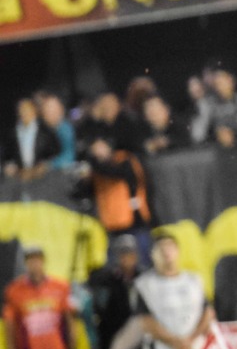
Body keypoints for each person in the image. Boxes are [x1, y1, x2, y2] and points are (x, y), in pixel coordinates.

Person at [133, 229, 213, 349]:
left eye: (170, 247)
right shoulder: (144, 285)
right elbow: (145, 322)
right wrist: (178, 344)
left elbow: (208, 313)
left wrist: (190, 340)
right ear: (152, 255)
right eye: (161, 248)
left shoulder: (194, 280)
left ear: (178, 251)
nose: (166, 252)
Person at [4, 244, 76, 349]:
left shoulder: (60, 287)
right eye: (30, 260)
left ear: (43, 261)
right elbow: (10, 329)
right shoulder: (15, 291)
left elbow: (70, 323)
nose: (34, 264)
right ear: (25, 263)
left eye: (37, 260)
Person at [88, 235, 147, 349]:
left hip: (142, 345)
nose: (126, 258)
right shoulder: (107, 280)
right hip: (116, 343)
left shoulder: (145, 278)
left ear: (136, 255)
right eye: (122, 254)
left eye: (129, 253)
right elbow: (101, 315)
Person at [74, 137, 153, 265]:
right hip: (111, 224)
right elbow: (84, 192)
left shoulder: (124, 159)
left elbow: (115, 172)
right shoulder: (97, 169)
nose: (97, 152)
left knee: (142, 258)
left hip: (134, 220)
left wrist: (92, 163)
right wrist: (83, 180)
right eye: (94, 149)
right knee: (115, 264)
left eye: (100, 147)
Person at [192, 67, 237, 146]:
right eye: (217, 84)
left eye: (223, 82)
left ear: (231, 80)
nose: (220, 87)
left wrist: (234, 130)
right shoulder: (208, 105)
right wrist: (216, 133)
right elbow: (198, 135)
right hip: (218, 146)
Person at [78, 91, 149, 159]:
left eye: (111, 104)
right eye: (104, 105)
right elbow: (83, 141)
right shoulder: (96, 124)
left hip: (124, 160)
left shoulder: (127, 123)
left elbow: (134, 147)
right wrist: (94, 118)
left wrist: (111, 151)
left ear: (118, 106)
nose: (108, 108)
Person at [2, 97, 60, 180]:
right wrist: (9, 165)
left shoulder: (45, 131)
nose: (24, 113)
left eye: (27, 110)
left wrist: (45, 165)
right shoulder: (12, 133)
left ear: (34, 111)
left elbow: (55, 152)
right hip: (19, 177)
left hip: (42, 177)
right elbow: (6, 155)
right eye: (21, 110)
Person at [36, 92, 78, 171]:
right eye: (47, 109)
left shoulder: (65, 129)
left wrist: (49, 164)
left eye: (53, 108)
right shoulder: (40, 128)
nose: (50, 112)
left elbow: (70, 155)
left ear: (61, 110)